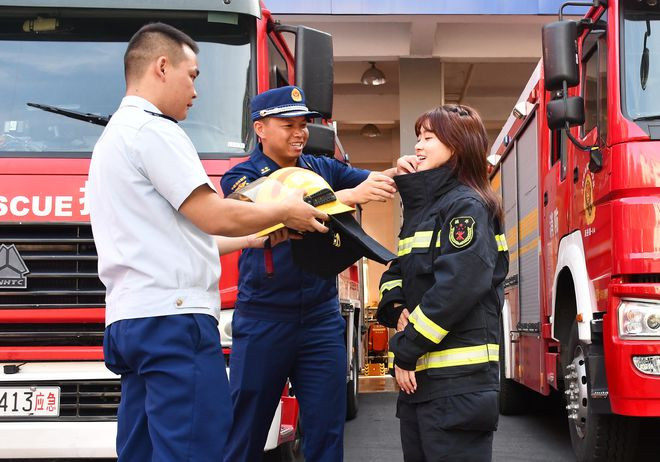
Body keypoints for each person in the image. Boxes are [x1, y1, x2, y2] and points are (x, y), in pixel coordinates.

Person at [87, 24, 328, 462]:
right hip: (174, 321)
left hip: (131, 321)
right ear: (162, 67)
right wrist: (285, 208)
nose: (195, 91)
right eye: (193, 75)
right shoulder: (155, 131)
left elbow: (177, 238)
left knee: (142, 450)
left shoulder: (111, 140)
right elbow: (212, 212)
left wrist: (253, 239)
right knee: (197, 448)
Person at [220, 85, 411, 462]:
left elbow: (364, 179)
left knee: (326, 431)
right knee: (246, 431)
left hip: (321, 320)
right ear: (260, 128)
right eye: (287, 124)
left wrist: (395, 171)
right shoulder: (241, 178)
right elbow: (278, 209)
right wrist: (349, 198)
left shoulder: (320, 167)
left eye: (304, 124)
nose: (299, 132)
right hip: (264, 319)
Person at [377, 104, 509, 462]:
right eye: (418, 137)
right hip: (425, 388)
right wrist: (396, 307)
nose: (418, 147)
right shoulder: (424, 211)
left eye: (429, 138)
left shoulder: (467, 207)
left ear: (457, 146)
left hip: (458, 388)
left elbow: (457, 288)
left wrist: (405, 348)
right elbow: (396, 271)